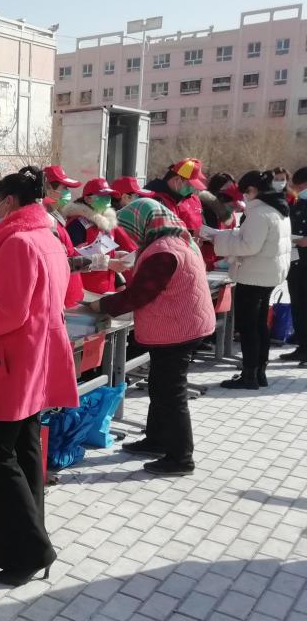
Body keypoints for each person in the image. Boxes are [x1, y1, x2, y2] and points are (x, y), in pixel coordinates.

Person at [0, 166, 78, 586]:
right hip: (33, 358)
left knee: (0, 455)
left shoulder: (17, 243)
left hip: (12, 362)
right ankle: (19, 536)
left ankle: (30, 549)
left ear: (8, 202)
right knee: (25, 449)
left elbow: (9, 313)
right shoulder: (47, 236)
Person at [92, 199, 216, 475]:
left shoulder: (163, 251)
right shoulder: (174, 241)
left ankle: (180, 458)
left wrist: (99, 306)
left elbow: (139, 294)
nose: (131, 235)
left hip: (178, 330)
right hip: (181, 325)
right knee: (160, 387)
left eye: (131, 229)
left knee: (171, 394)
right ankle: (157, 440)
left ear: (143, 224)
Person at [204, 170, 292, 389]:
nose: (244, 196)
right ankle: (259, 372)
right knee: (260, 325)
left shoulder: (260, 213)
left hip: (253, 275)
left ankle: (249, 375)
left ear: (253, 190)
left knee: (248, 327)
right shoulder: (279, 208)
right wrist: (228, 236)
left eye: (245, 192)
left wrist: (218, 239)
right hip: (269, 274)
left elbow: (249, 246)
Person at [63, 177, 137, 294]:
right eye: (102, 196)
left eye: (109, 196)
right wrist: (108, 263)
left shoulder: (107, 224)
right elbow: (71, 262)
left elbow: (100, 252)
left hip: (106, 291)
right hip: (83, 293)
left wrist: (117, 255)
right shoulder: (77, 225)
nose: (107, 199)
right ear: (87, 199)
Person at [40, 165, 94, 307]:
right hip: (61, 299)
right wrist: (99, 262)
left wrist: (75, 251)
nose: (68, 193)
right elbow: (56, 263)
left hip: (70, 294)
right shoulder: (46, 221)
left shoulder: (56, 217)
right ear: (49, 190)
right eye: (64, 188)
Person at [279, 167, 307, 365]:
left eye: (300, 186)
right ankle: (302, 346)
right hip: (297, 262)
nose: (298, 190)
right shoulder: (298, 203)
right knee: (298, 305)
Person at [146, 158, 207, 234]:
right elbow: (159, 232)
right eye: (189, 185)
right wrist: (191, 235)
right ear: (177, 180)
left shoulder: (186, 198)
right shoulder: (155, 200)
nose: (192, 189)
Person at [199, 173, 243, 271]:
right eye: (226, 188)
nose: (229, 191)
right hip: (206, 259)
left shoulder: (230, 213)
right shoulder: (203, 208)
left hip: (224, 260)